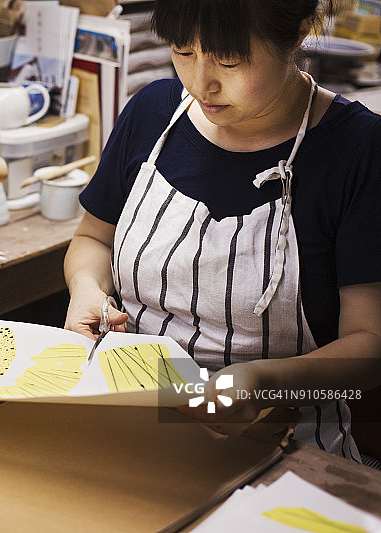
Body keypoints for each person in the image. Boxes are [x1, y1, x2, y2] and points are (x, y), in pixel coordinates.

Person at [63, 0, 381, 461]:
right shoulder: (152, 113)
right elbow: (92, 238)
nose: (200, 83)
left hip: (286, 445)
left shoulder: (359, 150)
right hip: (125, 421)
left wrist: (265, 381)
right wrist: (86, 287)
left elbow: (369, 344)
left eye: (229, 61)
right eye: (183, 51)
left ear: (294, 35)